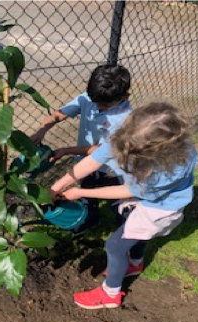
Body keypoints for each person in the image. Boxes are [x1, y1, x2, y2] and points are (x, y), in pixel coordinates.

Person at [51, 102, 198, 309]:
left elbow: (129, 191)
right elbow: (93, 160)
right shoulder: (129, 136)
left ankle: (110, 293)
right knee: (135, 231)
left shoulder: (170, 169)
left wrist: (81, 192)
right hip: (147, 197)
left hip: (160, 208)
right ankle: (134, 264)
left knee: (115, 245)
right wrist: (57, 186)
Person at [31, 64, 132, 233]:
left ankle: (128, 226)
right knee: (87, 192)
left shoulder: (125, 120)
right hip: (86, 164)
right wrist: (42, 130)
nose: (98, 108)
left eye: (105, 106)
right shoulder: (89, 98)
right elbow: (61, 113)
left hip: (112, 168)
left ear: (125, 96)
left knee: (118, 199)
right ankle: (91, 220)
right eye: (95, 102)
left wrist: (66, 150)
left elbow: (101, 152)